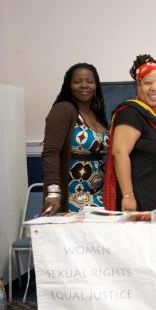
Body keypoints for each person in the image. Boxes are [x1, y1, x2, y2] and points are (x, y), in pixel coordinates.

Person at [103, 54, 156, 211]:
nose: (155, 88)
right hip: (140, 201)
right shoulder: (130, 113)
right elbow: (119, 153)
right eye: (148, 83)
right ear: (138, 85)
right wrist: (128, 196)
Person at [41, 63, 108, 215]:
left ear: (96, 85)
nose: (84, 85)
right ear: (69, 85)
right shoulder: (63, 110)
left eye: (90, 81)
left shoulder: (98, 114)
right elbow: (50, 152)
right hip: (72, 198)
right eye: (77, 81)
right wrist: (53, 193)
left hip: (100, 197)